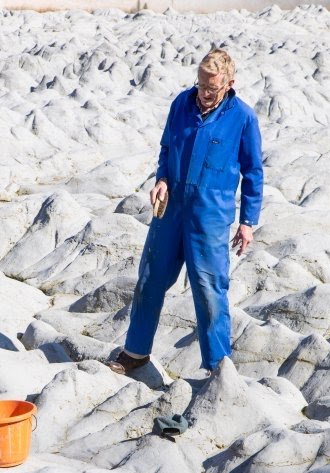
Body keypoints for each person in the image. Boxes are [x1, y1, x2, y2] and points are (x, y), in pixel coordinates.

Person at [108, 48, 263, 375]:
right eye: (200, 86)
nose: (204, 94)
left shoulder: (243, 118)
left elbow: (253, 173)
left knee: (209, 289)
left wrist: (248, 222)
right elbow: (166, 148)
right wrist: (162, 178)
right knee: (149, 280)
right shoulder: (181, 103)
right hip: (171, 210)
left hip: (209, 216)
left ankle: (217, 366)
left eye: (212, 88)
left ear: (229, 84)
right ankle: (135, 352)